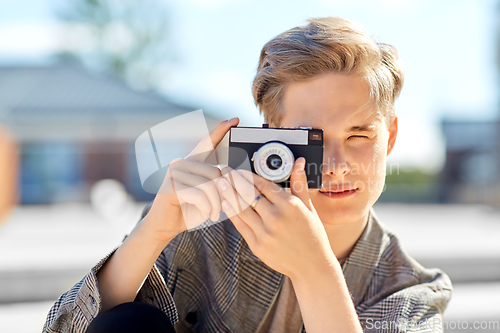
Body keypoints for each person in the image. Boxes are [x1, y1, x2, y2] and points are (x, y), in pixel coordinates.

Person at [43, 16, 452, 333]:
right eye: (311, 139)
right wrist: (152, 232)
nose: (336, 164)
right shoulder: (203, 232)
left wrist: (315, 271)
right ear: (269, 139)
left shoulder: (410, 290)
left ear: (391, 136)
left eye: (359, 134)